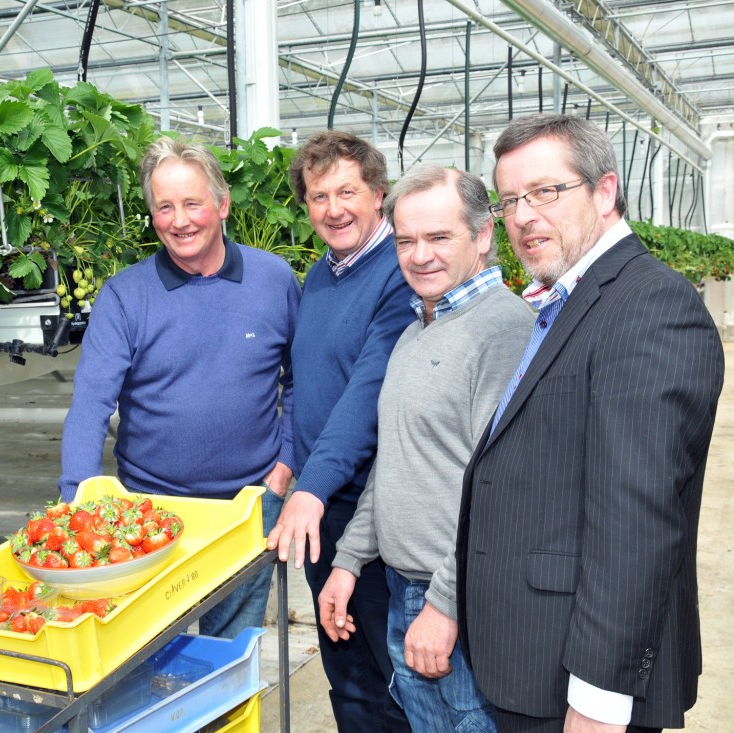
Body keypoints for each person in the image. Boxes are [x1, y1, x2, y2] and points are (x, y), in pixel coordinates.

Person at [455, 114, 725, 733]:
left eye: (546, 192)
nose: (524, 216)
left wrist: (599, 702)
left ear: (604, 192)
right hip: (533, 658)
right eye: (511, 200)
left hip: (582, 687)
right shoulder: (570, 299)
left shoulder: (649, 307)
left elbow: (636, 522)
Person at [317, 163, 533, 732]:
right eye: (407, 240)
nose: (419, 255)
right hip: (402, 587)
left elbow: (506, 492)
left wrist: (445, 605)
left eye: (439, 237)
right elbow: (396, 461)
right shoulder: (416, 332)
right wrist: (347, 562)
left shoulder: (505, 330)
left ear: (483, 236)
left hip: (458, 605)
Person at [59, 136, 300, 639]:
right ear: (151, 216)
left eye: (192, 203)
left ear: (222, 203)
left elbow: (300, 381)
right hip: (150, 511)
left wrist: (285, 466)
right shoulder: (125, 295)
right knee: (145, 658)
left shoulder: (273, 280)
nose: (180, 220)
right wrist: (76, 506)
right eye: (164, 207)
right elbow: (90, 406)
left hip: (248, 508)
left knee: (230, 657)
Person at [267, 130, 415, 732]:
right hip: (322, 504)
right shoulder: (322, 275)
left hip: (373, 508)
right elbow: (305, 379)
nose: (333, 209)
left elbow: (367, 395)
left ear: (379, 193)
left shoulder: (399, 272)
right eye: (318, 196)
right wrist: (289, 459)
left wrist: (313, 483)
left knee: (395, 675)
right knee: (345, 667)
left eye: (347, 191)